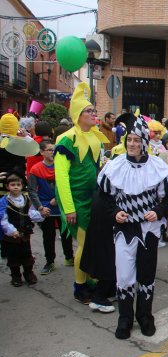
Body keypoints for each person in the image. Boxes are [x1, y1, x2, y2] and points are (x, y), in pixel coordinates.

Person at [97, 113, 168, 338]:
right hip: (124, 230)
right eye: (129, 140)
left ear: (144, 142)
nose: (132, 144)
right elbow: (104, 195)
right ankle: (124, 319)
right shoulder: (115, 166)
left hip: (149, 230)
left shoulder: (157, 167)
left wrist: (158, 211)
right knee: (124, 276)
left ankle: (144, 317)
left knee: (146, 274)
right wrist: (115, 213)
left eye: (136, 140)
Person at [54, 82, 110, 303]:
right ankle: (80, 287)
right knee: (84, 243)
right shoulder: (66, 139)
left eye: (94, 110)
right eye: (89, 111)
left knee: (92, 242)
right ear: (78, 114)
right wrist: (68, 208)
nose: (94, 114)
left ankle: (88, 278)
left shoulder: (95, 136)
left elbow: (97, 168)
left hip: (92, 198)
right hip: (75, 199)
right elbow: (61, 176)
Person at [28, 140, 74, 275]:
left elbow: (68, 185)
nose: (52, 152)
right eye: (49, 150)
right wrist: (41, 208)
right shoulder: (35, 169)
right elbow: (31, 191)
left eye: (54, 150)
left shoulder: (61, 166)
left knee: (66, 233)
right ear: (41, 152)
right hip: (46, 208)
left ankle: (69, 257)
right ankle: (50, 262)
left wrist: (60, 199)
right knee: (48, 236)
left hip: (62, 207)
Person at [1, 172, 44, 286]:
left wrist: (41, 215)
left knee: (26, 254)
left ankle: (28, 274)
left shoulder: (26, 199)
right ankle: (15, 276)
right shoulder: (4, 201)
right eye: (12, 184)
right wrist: (11, 231)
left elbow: (30, 213)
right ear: (7, 186)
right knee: (13, 256)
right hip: (11, 235)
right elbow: (3, 219)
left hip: (25, 232)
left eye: (18, 184)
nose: (15, 187)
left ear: (22, 186)